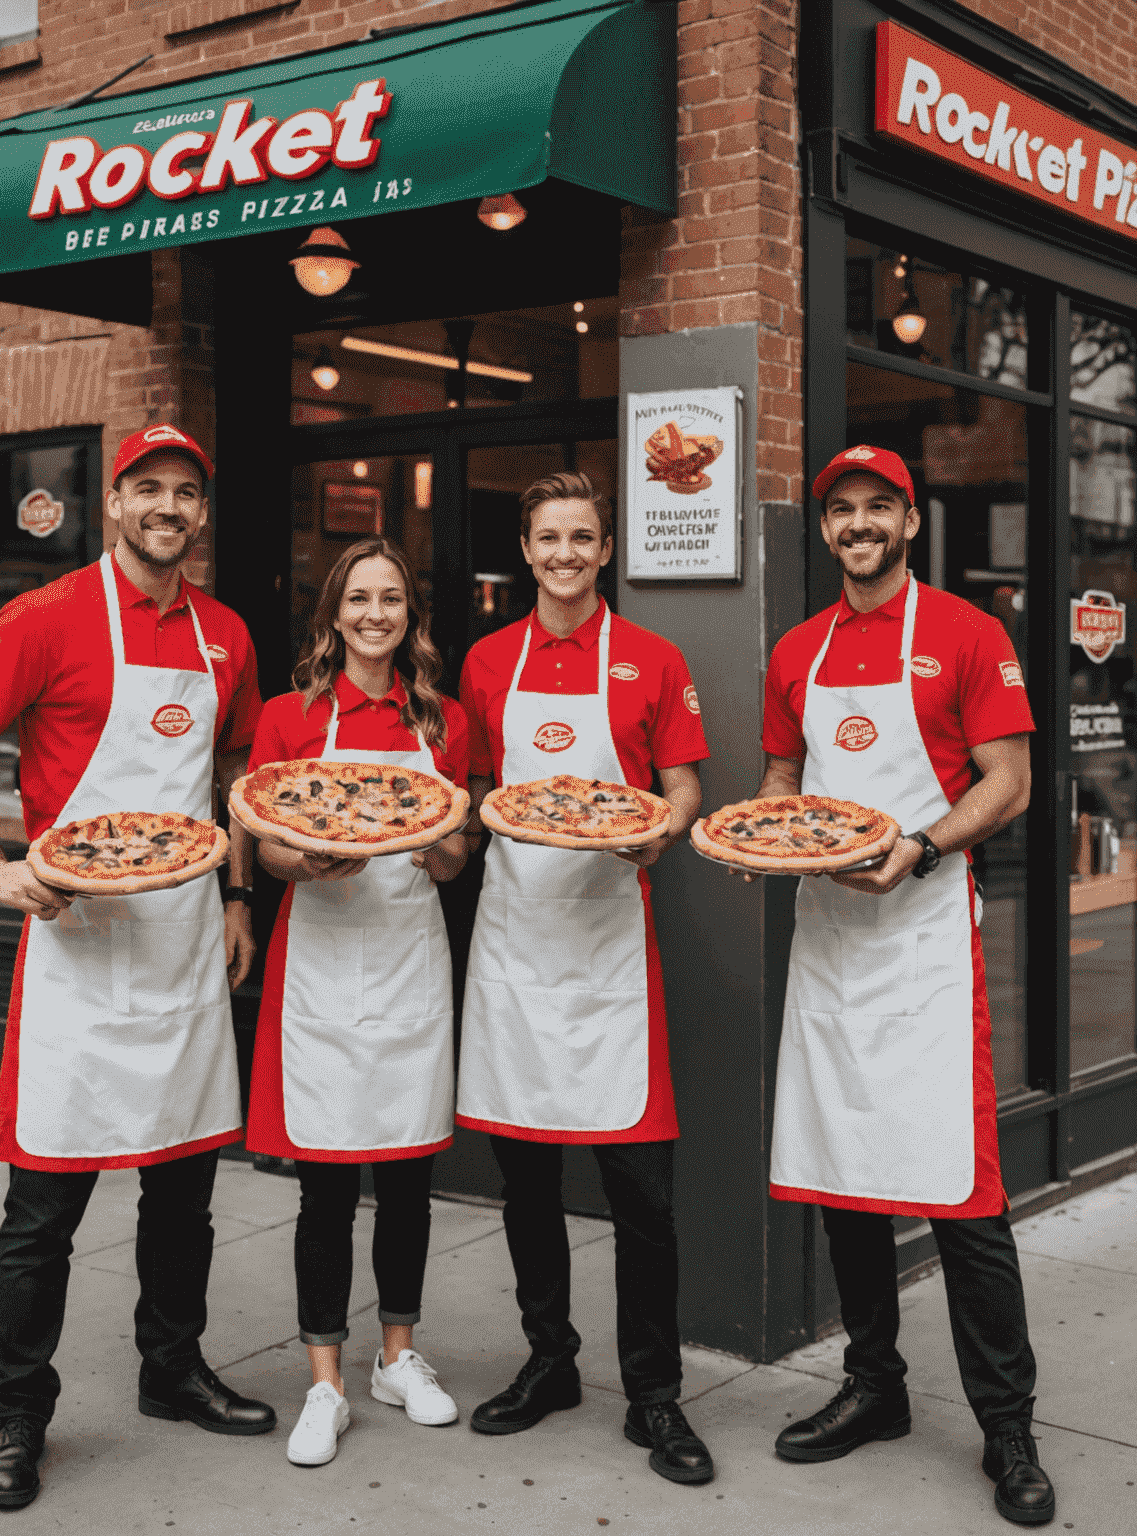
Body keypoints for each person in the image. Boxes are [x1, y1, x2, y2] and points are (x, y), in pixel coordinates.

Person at [0, 424, 275, 1512]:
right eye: (148, 489)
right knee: (44, 1210)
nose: (169, 507)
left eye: (186, 494)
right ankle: (17, 1411)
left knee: (183, 1191)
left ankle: (172, 1369)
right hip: (77, 943)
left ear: (201, 515)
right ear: (115, 503)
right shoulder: (48, 614)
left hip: (180, 939)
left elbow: (239, 761)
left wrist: (239, 891)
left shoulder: (226, 635)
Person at [754, 444, 1053, 1526]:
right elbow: (785, 778)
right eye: (842, 510)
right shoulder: (798, 650)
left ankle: (1007, 1426)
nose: (859, 524)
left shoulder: (970, 635)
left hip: (927, 941)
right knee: (845, 1173)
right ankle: (874, 1385)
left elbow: (1010, 781)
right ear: (825, 528)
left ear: (910, 523)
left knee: (963, 1193)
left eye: (879, 507)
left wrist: (921, 849)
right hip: (832, 936)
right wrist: (770, 832)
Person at [456, 471, 715, 1486]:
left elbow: (684, 783)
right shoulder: (486, 660)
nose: (564, 554)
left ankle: (656, 1393)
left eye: (582, 538)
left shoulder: (652, 659)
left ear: (606, 550)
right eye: (547, 537)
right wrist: (481, 816)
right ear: (526, 549)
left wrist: (659, 833)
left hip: (610, 947)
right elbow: (477, 788)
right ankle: (549, 1360)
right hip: (516, 942)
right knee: (526, 1181)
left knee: (641, 1197)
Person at [238, 537, 470, 1468]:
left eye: (392, 599)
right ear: (333, 613)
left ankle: (398, 1358)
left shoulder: (444, 720)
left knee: (409, 1176)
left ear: (411, 614)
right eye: (359, 599)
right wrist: (310, 858)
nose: (376, 614)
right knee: (326, 1184)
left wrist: (438, 846)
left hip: (411, 956)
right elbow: (261, 840)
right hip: (321, 970)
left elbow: (459, 854)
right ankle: (325, 1381)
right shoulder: (291, 717)